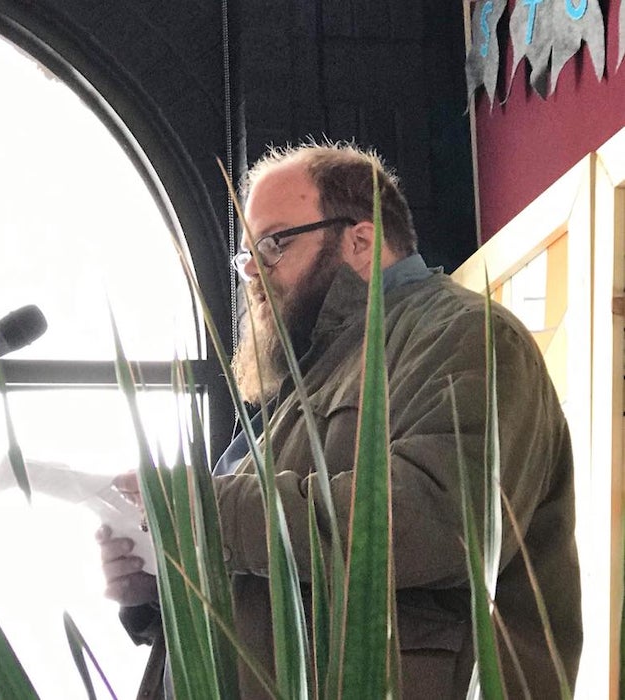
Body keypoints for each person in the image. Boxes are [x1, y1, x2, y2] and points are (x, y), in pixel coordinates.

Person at [96, 142, 582, 699]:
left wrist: (208, 511)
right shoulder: (305, 384)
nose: (253, 271)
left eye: (274, 243)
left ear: (361, 241)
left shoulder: (469, 335)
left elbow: (441, 524)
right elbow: (268, 590)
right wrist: (154, 585)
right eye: (246, 255)